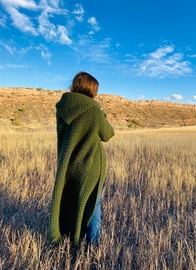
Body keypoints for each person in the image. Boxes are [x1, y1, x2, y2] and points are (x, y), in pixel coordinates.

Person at [49, 71, 115, 247]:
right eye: (96, 90)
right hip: (90, 166)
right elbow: (107, 134)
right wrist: (102, 113)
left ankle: (69, 236)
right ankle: (93, 245)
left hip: (69, 164)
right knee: (93, 204)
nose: (97, 93)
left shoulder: (63, 107)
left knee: (72, 200)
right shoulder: (93, 110)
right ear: (91, 90)